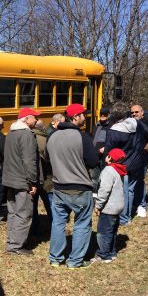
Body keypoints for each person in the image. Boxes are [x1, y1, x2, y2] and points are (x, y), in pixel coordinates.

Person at [46, 103, 99, 269]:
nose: (85, 117)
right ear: (75, 117)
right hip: (80, 188)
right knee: (82, 224)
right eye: (83, 114)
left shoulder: (52, 136)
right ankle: (75, 261)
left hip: (59, 187)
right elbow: (93, 161)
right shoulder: (82, 137)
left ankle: (55, 258)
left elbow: (48, 158)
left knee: (58, 223)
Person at [2, 107, 40, 256]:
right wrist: (33, 182)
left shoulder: (11, 132)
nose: (36, 120)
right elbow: (29, 160)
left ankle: (12, 240)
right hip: (22, 180)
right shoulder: (26, 135)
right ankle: (16, 246)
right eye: (34, 117)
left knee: (12, 212)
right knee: (24, 213)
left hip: (10, 179)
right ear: (26, 119)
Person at [103, 102, 148, 226]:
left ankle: (124, 218)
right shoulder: (138, 124)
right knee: (131, 189)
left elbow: (109, 150)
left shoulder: (114, 131)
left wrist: (106, 160)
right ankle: (130, 213)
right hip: (138, 161)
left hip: (122, 164)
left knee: (124, 191)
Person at [92, 148, 127, 263]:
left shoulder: (108, 171)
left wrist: (98, 205)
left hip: (109, 207)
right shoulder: (120, 169)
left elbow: (104, 190)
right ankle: (112, 252)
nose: (106, 156)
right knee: (112, 231)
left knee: (103, 232)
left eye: (108, 155)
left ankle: (103, 255)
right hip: (118, 206)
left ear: (111, 158)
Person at [31, 119, 53, 235]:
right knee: (49, 204)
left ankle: (34, 228)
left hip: (33, 179)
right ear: (42, 128)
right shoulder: (45, 140)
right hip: (46, 179)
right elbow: (50, 159)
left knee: (33, 206)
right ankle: (53, 227)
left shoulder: (28, 138)